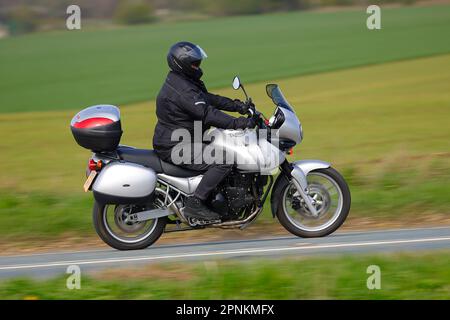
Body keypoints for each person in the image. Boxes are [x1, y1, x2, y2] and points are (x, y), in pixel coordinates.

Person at [153, 41, 255, 220]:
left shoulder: (182, 81)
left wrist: (237, 106)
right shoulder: (183, 90)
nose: (198, 66)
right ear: (182, 63)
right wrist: (240, 123)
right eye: (194, 63)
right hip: (177, 145)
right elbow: (207, 114)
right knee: (225, 159)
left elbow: (208, 99)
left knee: (226, 146)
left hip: (180, 139)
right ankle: (196, 203)